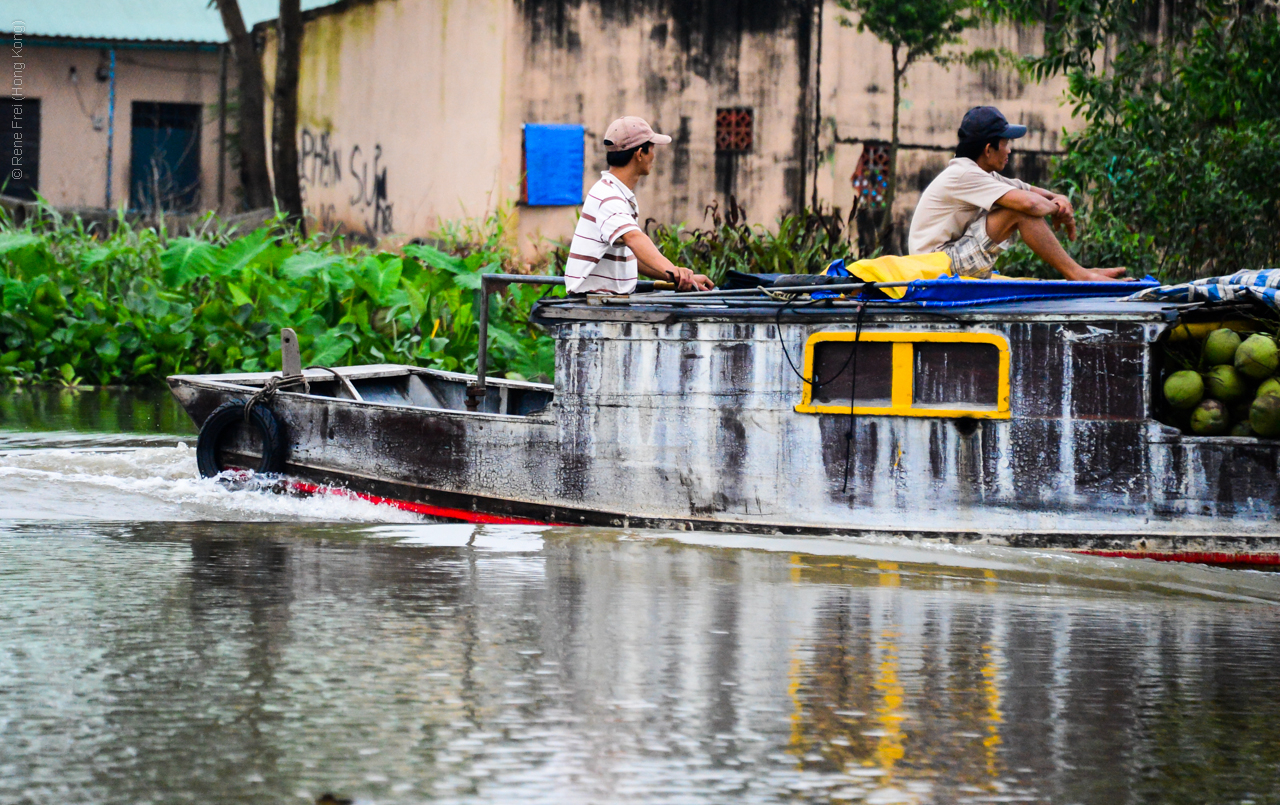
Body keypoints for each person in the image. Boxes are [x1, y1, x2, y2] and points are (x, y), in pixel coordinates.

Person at [908, 106, 1126, 281]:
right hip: (935, 267)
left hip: (944, 260)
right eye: (1005, 144)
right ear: (988, 149)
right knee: (1018, 212)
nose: (1009, 151)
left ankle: (1079, 271)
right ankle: (1078, 274)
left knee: (1018, 203)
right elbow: (1031, 205)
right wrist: (1058, 209)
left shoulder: (980, 173)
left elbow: (1027, 190)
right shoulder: (964, 174)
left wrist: (1060, 199)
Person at [565, 116, 714, 294]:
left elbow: (635, 257)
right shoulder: (607, 196)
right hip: (593, 305)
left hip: (607, 301)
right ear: (639, 154)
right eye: (652, 149)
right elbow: (635, 239)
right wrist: (675, 271)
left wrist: (679, 277)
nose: (654, 155)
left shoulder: (617, 193)